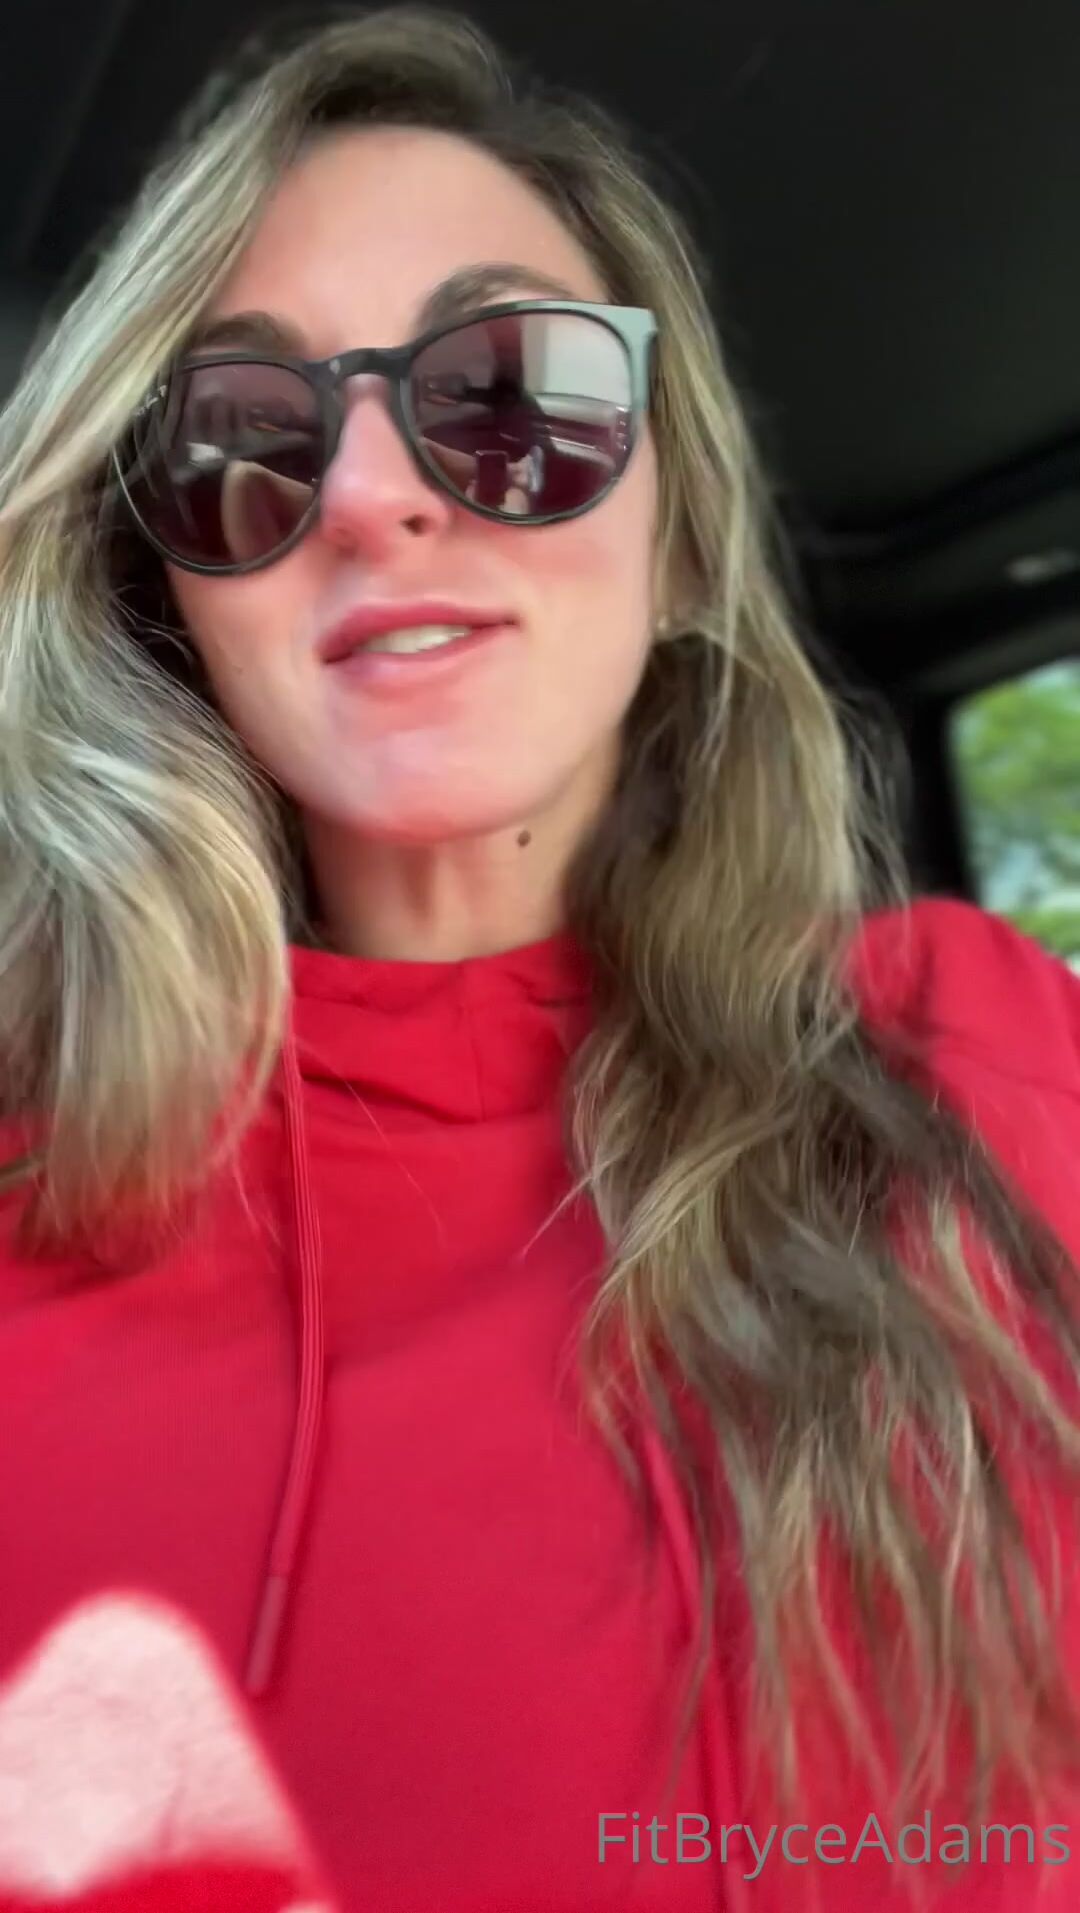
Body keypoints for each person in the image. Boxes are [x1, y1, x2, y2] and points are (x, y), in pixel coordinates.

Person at [0, 8, 1078, 1910]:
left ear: (682, 539)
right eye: (243, 433)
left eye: (513, 391)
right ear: (168, 598)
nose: (371, 494)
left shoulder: (995, 1049)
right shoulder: (36, 1205)